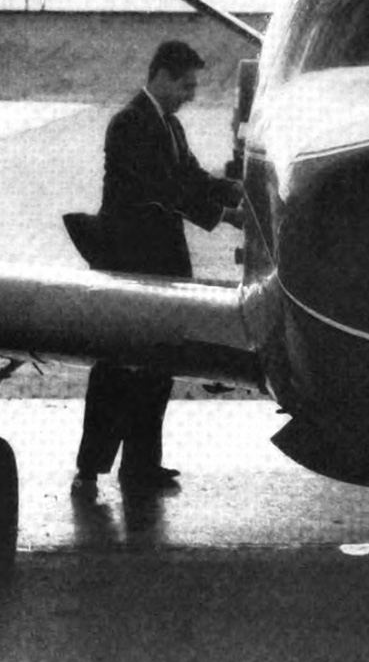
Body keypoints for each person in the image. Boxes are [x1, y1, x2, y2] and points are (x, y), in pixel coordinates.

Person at [70, 39, 242, 500]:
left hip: (161, 262)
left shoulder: (170, 126)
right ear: (162, 76)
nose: (191, 95)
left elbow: (191, 177)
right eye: (186, 86)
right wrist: (225, 214)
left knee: (158, 364)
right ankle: (89, 469)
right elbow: (163, 189)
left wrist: (234, 189)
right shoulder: (128, 124)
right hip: (129, 263)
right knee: (117, 366)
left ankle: (141, 466)